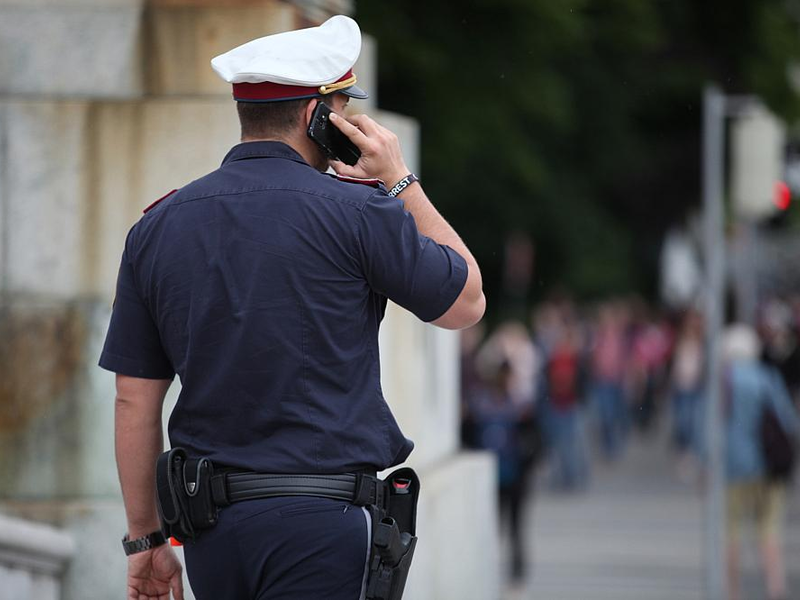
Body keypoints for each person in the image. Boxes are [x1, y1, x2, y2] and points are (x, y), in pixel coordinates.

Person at [99, 15, 484, 600]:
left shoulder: (157, 226)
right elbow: (466, 303)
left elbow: (135, 397)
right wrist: (402, 181)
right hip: (324, 527)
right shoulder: (361, 213)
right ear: (317, 117)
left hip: (213, 533)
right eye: (343, 110)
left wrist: (144, 541)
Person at [722, 325, 799, 600]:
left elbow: (703, 427)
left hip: (730, 467)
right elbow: (788, 420)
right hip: (768, 465)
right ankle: (774, 586)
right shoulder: (766, 377)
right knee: (768, 530)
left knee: (730, 533)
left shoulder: (722, 380)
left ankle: (732, 591)